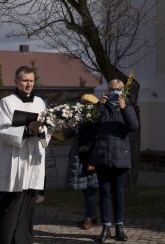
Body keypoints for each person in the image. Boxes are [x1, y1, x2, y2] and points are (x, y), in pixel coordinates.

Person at [0, 66, 51, 244]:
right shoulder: (7, 102)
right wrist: (28, 129)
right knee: (10, 205)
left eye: (31, 80)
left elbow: (47, 129)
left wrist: (42, 130)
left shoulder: (40, 102)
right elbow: (2, 130)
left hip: (34, 158)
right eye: (25, 80)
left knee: (29, 204)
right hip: (16, 159)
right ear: (16, 82)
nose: (29, 84)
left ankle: (23, 238)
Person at [90, 79, 139, 243]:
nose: (115, 92)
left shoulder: (128, 107)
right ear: (107, 90)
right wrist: (99, 107)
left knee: (118, 194)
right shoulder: (100, 107)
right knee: (104, 194)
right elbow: (90, 126)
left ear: (122, 92)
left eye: (118, 89)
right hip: (102, 157)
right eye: (112, 89)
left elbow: (134, 126)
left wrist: (124, 108)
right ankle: (106, 228)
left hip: (120, 157)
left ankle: (119, 228)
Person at [65, 94, 99, 230]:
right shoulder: (78, 118)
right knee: (86, 189)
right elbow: (67, 134)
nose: (85, 106)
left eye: (88, 104)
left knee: (90, 189)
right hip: (79, 157)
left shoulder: (96, 119)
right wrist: (73, 126)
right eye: (84, 104)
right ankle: (91, 216)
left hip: (91, 157)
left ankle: (89, 218)